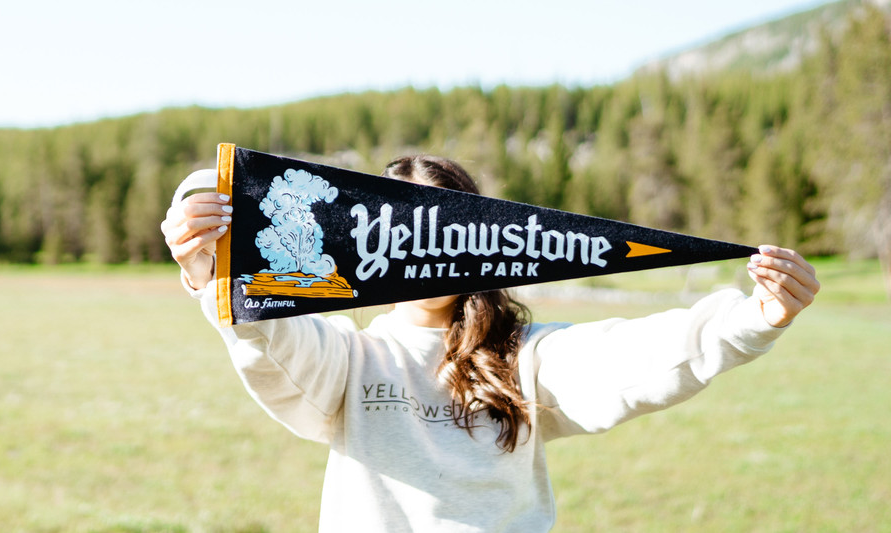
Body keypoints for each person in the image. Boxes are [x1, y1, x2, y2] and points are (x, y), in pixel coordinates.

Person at [160, 155, 820, 532]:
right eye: (402, 223)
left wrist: (751, 320)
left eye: (441, 224)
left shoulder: (523, 355)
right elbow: (273, 337)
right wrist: (208, 261)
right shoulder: (352, 355)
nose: (421, 245)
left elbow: (629, 359)